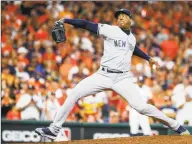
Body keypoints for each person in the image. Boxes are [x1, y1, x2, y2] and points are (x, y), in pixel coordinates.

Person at [35, 9, 190, 139]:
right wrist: (66, 20)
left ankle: (176, 126)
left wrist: (148, 58)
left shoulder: (132, 38)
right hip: (103, 75)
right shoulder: (110, 30)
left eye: (123, 16)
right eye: (118, 17)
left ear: (130, 19)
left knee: (141, 107)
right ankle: (54, 129)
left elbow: (133, 48)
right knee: (74, 93)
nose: (120, 18)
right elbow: (86, 24)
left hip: (123, 78)